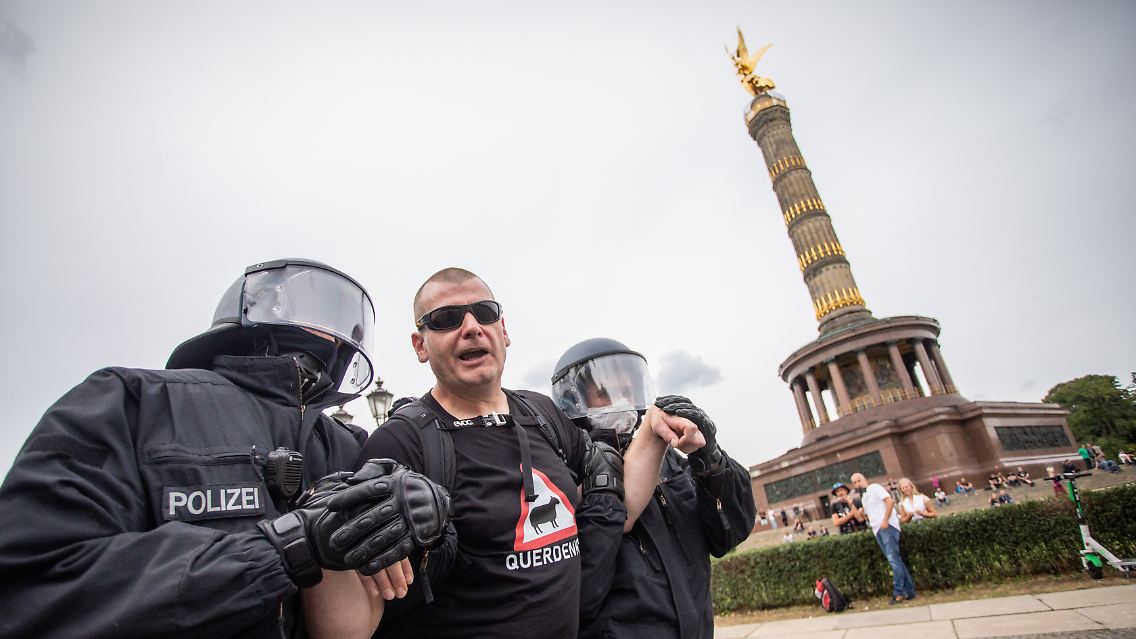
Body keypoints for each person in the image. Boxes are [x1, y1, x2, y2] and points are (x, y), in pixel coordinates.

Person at [0, 258, 445, 638]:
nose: (338, 331)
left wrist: (430, 528)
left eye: (347, 321)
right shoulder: (132, 400)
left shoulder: (345, 443)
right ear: (264, 306)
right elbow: (34, 586)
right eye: (324, 309)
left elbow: (403, 601)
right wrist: (285, 549)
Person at [334, 268, 684, 639]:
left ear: (503, 331)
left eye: (484, 312)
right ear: (420, 346)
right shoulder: (400, 444)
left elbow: (618, 508)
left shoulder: (543, 413)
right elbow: (357, 622)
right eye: (445, 319)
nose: (471, 327)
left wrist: (654, 429)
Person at [551, 337, 754, 638]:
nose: (621, 399)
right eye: (605, 392)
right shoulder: (565, 471)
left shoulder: (669, 462)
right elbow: (576, 586)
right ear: (572, 399)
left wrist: (710, 461)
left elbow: (728, 534)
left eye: (629, 389)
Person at [851, 472, 915, 605]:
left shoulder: (874, 487)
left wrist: (885, 520)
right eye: (855, 482)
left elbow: (889, 501)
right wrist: (859, 510)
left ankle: (899, 593)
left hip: (887, 527)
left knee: (893, 560)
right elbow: (863, 517)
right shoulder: (865, 497)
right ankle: (910, 591)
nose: (858, 483)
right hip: (877, 530)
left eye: (859, 480)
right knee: (896, 560)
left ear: (864, 479)